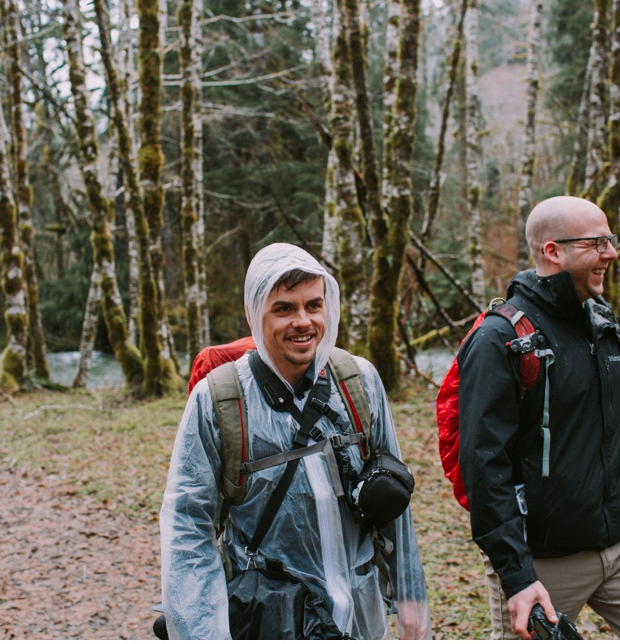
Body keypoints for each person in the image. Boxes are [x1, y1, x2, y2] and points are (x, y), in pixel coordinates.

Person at [456, 196, 620, 639]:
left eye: (610, 240)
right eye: (597, 243)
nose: (611, 252)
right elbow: (483, 465)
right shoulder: (501, 339)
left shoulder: (601, 320)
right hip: (544, 560)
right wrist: (516, 574)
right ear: (553, 252)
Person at [160, 242, 432, 639]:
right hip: (270, 615)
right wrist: (203, 632)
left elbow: (392, 498)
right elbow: (188, 526)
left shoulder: (358, 382)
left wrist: (409, 596)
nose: (303, 322)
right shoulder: (217, 399)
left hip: (361, 611)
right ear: (256, 313)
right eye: (284, 308)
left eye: (313, 305)